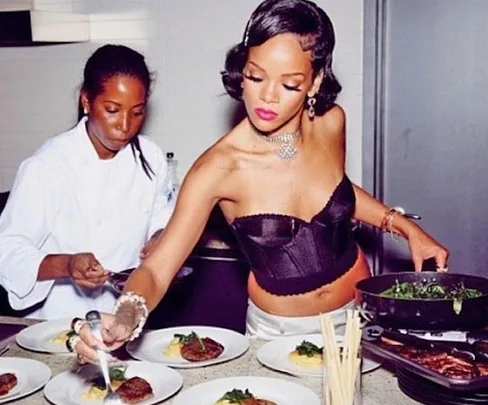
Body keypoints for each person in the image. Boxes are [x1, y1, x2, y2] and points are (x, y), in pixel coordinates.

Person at [73, 0, 448, 362]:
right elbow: (157, 268)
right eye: (255, 77)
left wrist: (401, 226)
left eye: (289, 84)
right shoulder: (219, 169)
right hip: (278, 335)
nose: (267, 97)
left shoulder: (331, 122)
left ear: (315, 82)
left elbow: (335, 190)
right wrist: (125, 318)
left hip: (357, 316)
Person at [0, 44, 175, 319]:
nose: (125, 125)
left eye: (137, 112)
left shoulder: (150, 157)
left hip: (127, 316)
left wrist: (159, 238)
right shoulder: (48, 166)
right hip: (58, 323)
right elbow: (7, 250)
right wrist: (67, 264)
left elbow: (162, 215)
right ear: (86, 101)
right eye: (112, 110)